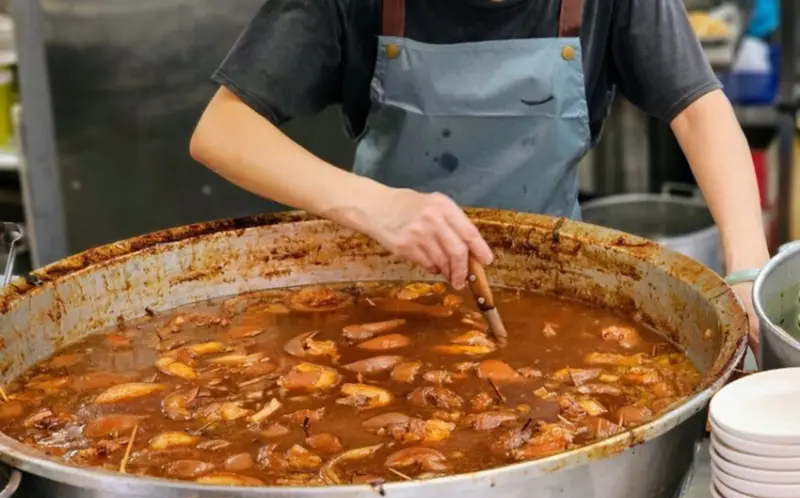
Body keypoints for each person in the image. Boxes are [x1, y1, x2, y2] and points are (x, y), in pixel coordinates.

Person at [190, 0, 768, 351]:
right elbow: (223, 131)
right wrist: (374, 205)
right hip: (380, 292)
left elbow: (699, 112)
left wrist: (746, 271)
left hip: (558, 292)